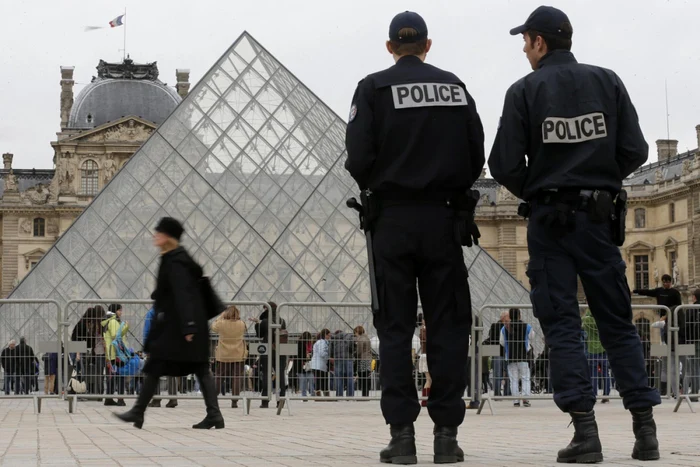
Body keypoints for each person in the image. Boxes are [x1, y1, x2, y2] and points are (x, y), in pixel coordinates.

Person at [488, 5, 661, 463]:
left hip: (549, 222)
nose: (524, 50)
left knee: (563, 324)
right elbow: (636, 150)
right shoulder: (608, 80)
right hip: (601, 222)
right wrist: (600, 179)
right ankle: (646, 433)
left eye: (525, 41)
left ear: (540, 42)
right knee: (618, 326)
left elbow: (502, 164)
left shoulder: (523, 90)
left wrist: (542, 187)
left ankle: (586, 433)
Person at [344, 11, 484, 464]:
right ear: (428, 45)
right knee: (447, 326)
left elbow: (357, 158)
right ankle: (447, 434)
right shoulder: (455, 87)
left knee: (395, 327)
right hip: (444, 220)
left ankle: (402, 435)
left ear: (390, 47)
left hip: (394, 221)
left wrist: (387, 180)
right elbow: (475, 154)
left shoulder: (372, 88)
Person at [114, 217, 223, 430]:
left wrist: (189, 326)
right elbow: (175, 290)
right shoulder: (174, 258)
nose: (155, 235)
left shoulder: (175, 260)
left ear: (169, 237)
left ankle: (138, 412)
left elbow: (183, 294)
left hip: (183, 326)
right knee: (194, 368)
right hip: (185, 324)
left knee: (158, 366)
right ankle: (214, 415)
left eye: (159, 232)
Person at [211, 306, 248, 408]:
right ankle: (235, 400)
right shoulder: (241, 324)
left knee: (219, 376)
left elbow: (213, 327)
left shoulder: (221, 323)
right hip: (238, 353)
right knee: (237, 377)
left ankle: (214, 397)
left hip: (223, 354)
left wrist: (220, 316)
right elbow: (245, 329)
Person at [102, 304, 128, 406]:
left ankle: (109, 398)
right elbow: (115, 335)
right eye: (119, 310)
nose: (121, 312)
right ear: (115, 311)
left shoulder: (109, 321)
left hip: (112, 353)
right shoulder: (113, 321)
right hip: (116, 353)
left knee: (111, 376)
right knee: (120, 376)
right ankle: (120, 399)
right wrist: (126, 327)